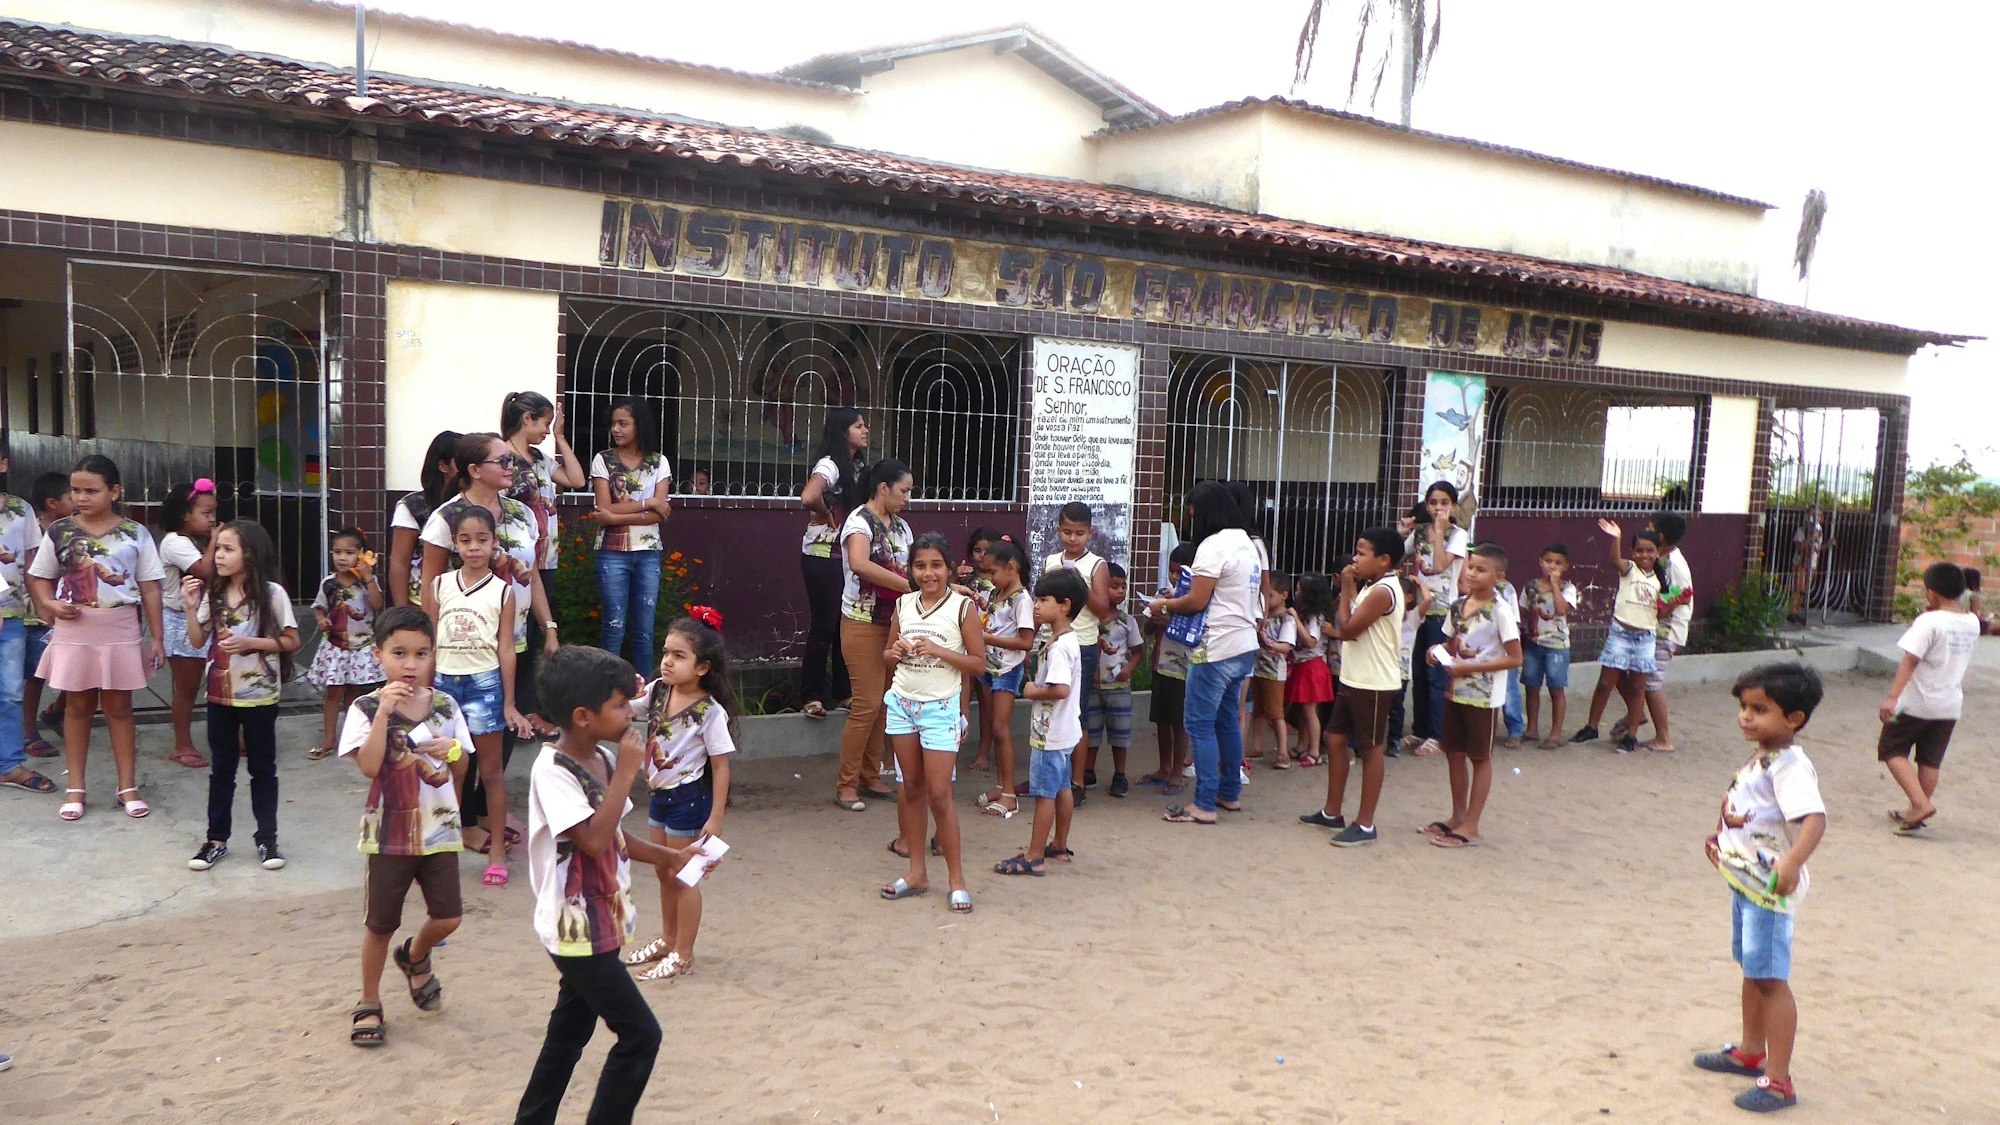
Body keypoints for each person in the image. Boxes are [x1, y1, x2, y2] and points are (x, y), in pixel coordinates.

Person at [515, 645, 709, 1125]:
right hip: (574, 929)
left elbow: (618, 838)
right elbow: (594, 840)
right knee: (641, 1035)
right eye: (620, 706)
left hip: (601, 920)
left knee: (567, 1037)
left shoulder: (600, 757)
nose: (631, 714)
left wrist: (673, 855)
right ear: (583, 716)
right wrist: (627, 771)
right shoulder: (553, 771)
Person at [336, 606, 472, 1049]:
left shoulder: (447, 705)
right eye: (399, 653)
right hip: (388, 833)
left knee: (449, 916)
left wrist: (452, 750)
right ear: (378, 654)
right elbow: (369, 766)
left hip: (439, 831)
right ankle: (368, 1000)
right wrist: (382, 717)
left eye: (420, 654)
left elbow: (461, 765)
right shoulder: (364, 707)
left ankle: (415, 957)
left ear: (433, 655)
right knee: (380, 924)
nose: (410, 664)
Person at [1695, 663, 1827, 1113]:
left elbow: (1813, 819)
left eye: (1760, 709)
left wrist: (1792, 862)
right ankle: (1752, 1051)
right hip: (1746, 883)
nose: (1746, 717)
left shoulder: (1790, 766)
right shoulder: (1764, 754)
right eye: (1744, 707)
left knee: (1771, 980)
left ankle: (1779, 1080)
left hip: (1769, 889)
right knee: (1753, 969)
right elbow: (1742, 807)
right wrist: (1720, 835)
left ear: (1795, 718)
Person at [419, 432, 557, 859]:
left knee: (501, 731)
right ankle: (463, 821)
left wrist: (548, 627)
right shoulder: (446, 519)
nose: (511, 467)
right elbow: (431, 586)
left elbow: (530, 576)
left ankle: (480, 815)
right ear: (475, 470)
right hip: (459, 651)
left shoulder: (521, 514)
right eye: (503, 461)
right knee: (459, 741)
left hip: (511, 640)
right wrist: (429, 648)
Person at [24, 455, 166, 822]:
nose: (81, 497)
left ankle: (127, 787)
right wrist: (49, 603)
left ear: (114, 491)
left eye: (91, 490)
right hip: (74, 629)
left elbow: (150, 588)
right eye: (75, 490)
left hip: (119, 627)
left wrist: (157, 638)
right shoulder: (59, 532)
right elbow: (39, 575)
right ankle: (76, 788)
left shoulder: (136, 532)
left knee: (119, 709)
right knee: (76, 708)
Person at [620, 608, 737, 982]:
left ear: (702, 668)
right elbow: (624, 708)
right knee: (663, 870)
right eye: (666, 653)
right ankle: (668, 940)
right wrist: (622, 689)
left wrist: (716, 816)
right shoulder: (657, 691)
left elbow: (721, 766)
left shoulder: (710, 713)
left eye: (679, 656)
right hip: (661, 796)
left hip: (690, 800)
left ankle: (684, 954)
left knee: (685, 876)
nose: (667, 661)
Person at [427, 505, 535, 888]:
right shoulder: (439, 585)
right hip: (443, 685)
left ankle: (497, 853)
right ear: (454, 544)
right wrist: (425, 691)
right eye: (465, 540)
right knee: (444, 770)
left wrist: (508, 702)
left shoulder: (504, 592)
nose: (474, 547)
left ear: (494, 543)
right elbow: (428, 642)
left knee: (490, 772)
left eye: (482, 540)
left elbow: (506, 648)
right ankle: (442, 848)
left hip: (484, 685)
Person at [874, 533, 982, 912]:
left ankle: (956, 879)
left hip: (940, 709)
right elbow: (887, 656)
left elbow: (979, 663)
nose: (928, 573)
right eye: (920, 565)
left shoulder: (962, 608)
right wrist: (897, 651)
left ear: (950, 568)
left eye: (936, 565)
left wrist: (939, 651)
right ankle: (917, 872)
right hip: (903, 705)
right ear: (911, 569)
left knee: (939, 794)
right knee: (911, 790)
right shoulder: (903, 605)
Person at [183, 519, 300, 870]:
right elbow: (196, 640)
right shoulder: (213, 594)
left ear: (250, 554)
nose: (217, 555)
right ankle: (216, 840)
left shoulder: (272, 594)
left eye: (227, 548)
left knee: (263, 769)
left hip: (261, 696)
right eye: (217, 547)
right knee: (222, 769)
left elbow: (292, 640)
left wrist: (252, 643)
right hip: (220, 695)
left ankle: (267, 839)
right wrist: (190, 606)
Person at [1155, 482, 1261, 826]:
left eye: (1191, 512)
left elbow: (1197, 600)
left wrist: (1165, 605)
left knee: (1199, 724)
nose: (1189, 518)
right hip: (1244, 644)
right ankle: (1229, 793)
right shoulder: (1247, 543)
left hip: (1215, 646)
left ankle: (1203, 803)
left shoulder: (1213, 546)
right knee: (1227, 719)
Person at [1299, 528, 1406, 846]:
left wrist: (1346, 588)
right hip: (1355, 676)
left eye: (1362, 553)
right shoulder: (1373, 586)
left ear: (1384, 560)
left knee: (1370, 748)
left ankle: (1366, 823)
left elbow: (1346, 629)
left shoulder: (1383, 591)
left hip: (1374, 681)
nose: (1355, 559)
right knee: (1334, 738)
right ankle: (1332, 811)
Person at [1420, 542, 1521, 849]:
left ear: (1499, 576)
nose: (1473, 573)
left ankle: (1472, 826)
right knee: (1453, 753)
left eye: (1481, 569)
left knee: (1479, 757)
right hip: (1455, 692)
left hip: (1484, 695)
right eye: (1471, 566)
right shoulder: (1457, 605)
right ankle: (1457, 816)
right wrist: (1435, 653)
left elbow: (1516, 658)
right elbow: (1451, 643)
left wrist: (1471, 667)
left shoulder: (1501, 611)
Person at [501, 391, 586, 754]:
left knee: (537, 637)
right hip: (515, 564)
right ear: (527, 419)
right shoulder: (502, 459)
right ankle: (512, 711)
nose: (547, 431)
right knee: (511, 636)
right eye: (545, 424)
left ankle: (529, 709)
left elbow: (577, 479)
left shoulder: (539, 458)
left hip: (543, 561)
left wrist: (563, 438)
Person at [993, 567, 1088, 876]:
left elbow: (1059, 689)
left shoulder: (1060, 647)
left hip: (1050, 734)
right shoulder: (1065, 640)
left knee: (1044, 793)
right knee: (1061, 788)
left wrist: (1032, 689)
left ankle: (1034, 855)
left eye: (1044, 600)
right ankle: (1059, 845)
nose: (1036, 605)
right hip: (1063, 731)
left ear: (1064, 605)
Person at [833, 459, 915, 813]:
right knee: (866, 704)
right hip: (862, 621)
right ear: (884, 488)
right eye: (904, 490)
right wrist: (911, 586)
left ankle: (869, 774)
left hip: (893, 622)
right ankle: (846, 783)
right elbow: (860, 564)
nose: (908, 498)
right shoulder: (858, 521)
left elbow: (910, 566)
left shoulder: (901, 527)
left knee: (884, 703)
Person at [1877, 562, 1978, 834]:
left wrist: (1891, 698)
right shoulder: (1971, 622)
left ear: (1931, 592)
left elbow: (1910, 661)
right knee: (1930, 760)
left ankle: (1920, 803)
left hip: (1918, 700)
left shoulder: (1929, 622)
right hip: (1949, 704)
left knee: (1892, 749)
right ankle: (1917, 809)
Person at [589, 401, 673, 666]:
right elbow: (604, 509)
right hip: (612, 553)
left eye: (623, 423)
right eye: (613, 423)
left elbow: (662, 514)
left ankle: (645, 697)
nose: (616, 429)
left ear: (640, 425)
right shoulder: (603, 459)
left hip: (648, 553)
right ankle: (608, 695)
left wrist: (616, 516)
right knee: (613, 627)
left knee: (644, 632)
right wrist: (648, 503)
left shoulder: (659, 462)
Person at [797, 408, 868, 721]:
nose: (866, 430)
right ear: (843, 432)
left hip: (845, 558)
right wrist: (826, 514)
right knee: (824, 626)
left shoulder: (856, 465)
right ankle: (810, 695)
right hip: (822, 556)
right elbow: (809, 496)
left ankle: (842, 693)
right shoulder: (830, 464)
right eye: (859, 425)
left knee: (844, 626)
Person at [1572, 520, 1662, 751]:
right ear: (1633, 552)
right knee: (1605, 683)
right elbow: (1614, 561)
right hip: (1620, 633)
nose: (1644, 555)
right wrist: (1616, 537)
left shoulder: (1661, 580)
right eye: (1639, 550)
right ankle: (1591, 727)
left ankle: (1631, 735)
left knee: (1637, 688)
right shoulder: (1629, 569)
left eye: (1650, 551)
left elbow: (1665, 608)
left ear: (1657, 553)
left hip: (1645, 637)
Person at [1044, 502, 1113, 802]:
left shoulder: (1097, 565)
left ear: (1090, 533)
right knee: (1050, 709)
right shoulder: (1051, 560)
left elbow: (1103, 610)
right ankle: (1052, 773)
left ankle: (1077, 781)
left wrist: (1079, 585)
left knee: (1077, 712)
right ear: (1058, 530)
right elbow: (1044, 601)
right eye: (1067, 532)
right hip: (1051, 641)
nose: (1073, 539)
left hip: (1082, 644)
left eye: (1079, 533)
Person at [306, 528, 387, 760]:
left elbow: (377, 603)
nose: (341, 557)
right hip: (336, 647)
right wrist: (321, 620)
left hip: (361, 648)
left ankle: (353, 739)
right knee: (333, 694)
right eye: (337, 552)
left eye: (349, 552)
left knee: (355, 695)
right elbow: (319, 607)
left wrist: (369, 577)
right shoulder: (329, 583)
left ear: (362, 555)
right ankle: (329, 739)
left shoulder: (365, 583)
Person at [0, 455, 55, 796]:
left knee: (10, 692)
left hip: (13, 615)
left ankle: (7, 765)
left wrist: (45, 606)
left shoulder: (21, 510)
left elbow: (33, 564)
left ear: (3, 463)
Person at [155, 479, 219, 769]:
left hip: (202, 615)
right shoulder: (175, 543)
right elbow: (204, 571)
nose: (212, 520)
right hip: (181, 619)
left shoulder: (195, 542)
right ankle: (182, 745)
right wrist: (217, 539)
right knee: (187, 686)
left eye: (213, 513)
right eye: (206, 514)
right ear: (185, 515)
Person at [1406, 483, 1469, 756]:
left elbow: (1441, 565)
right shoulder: (1420, 531)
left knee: (1435, 675)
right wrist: (1402, 529)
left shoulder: (1458, 534)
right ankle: (1420, 729)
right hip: (1419, 611)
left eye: (1444, 502)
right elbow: (1402, 550)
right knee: (1419, 672)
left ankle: (1438, 734)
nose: (1438, 507)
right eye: (1433, 502)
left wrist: (1440, 534)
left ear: (1453, 506)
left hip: (1443, 612)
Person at [972, 538, 1033, 818]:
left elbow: (1025, 642)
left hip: (1007, 670)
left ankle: (1009, 795)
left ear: (1011, 567)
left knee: (1001, 729)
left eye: (992, 573)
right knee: (996, 730)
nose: (989, 578)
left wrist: (988, 637)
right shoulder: (998, 595)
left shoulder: (1022, 600)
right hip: (990, 665)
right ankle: (1000, 784)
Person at [18, 472, 73, 762]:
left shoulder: (73, 529)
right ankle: (28, 732)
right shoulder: (34, 531)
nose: (78, 499)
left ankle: (57, 711)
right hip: (35, 611)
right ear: (53, 503)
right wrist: (42, 604)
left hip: (66, 611)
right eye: (71, 495)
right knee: (35, 675)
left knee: (77, 670)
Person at [1141, 542, 1197, 794]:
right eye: (1172, 571)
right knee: (1161, 719)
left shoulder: (1194, 601)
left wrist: (1170, 618)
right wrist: (1155, 617)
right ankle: (1164, 767)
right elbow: (1148, 629)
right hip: (1160, 664)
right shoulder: (1165, 595)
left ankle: (1177, 772)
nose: (1174, 577)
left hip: (1183, 667)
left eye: (1179, 572)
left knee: (1178, 721)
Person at [1085, 562, 1142, 797]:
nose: (1120, 591)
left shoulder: (1127, 622)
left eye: (1123, 587)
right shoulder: (1089, 621)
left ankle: (1120, 775)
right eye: (1113, 586)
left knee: (1120, 733)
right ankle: (1087, 771)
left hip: (1118, 687)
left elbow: (1138, 652)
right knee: (1090, 731)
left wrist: (1129, 669)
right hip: (1090, 686)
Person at [389, 429, 462, 608]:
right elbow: (399, 562)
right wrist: (403, 612)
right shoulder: (413, 506)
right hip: (421, 602)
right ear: (443, 466)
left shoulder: (472, 503)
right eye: (461, 461)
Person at [1519, 544, 1578, 749]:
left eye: (1558, 563)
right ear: (1541, 562)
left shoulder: (1568, 589)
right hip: (1533, 643)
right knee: (1531, 686)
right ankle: (1532, 728)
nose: (1552, 566)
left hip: (1557, 646)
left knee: (1556, 688)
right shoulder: (1530, 586)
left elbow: (1561, 610)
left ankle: (1555, 733)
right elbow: (1522, 611)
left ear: (1566, 566)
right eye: (1549, 561)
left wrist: (1554, 585)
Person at [960, 526, 1003, 771]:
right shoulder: (964, 579)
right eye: (977, 550)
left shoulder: (1002, 581)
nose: (981, 556)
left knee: (987, 703)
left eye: (987, 550)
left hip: (990, 648)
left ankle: (984, 753)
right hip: (963, 647)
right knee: (961, 698)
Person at [1284, 573, 1336, 768]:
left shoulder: (1315, 616)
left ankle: (1314, 750)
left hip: (1312, 665)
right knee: (1302, 709)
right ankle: (1302, 744)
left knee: (1310, 710)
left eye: (1299, 589)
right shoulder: (1308, 613)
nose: (1296, 593)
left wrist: (1296, 620)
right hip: (1303, 665)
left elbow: (1311, 641)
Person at [1246, 580, 1295, 769]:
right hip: (1256, 667)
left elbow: (1286, 647)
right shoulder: (1262, 618)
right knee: (1258, 710)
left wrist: (1270, 644)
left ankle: (1283, 751)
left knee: (1276, 713)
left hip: (1274, 670)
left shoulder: (1286, 619)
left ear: (1284, 595)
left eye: (1271, 595)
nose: (1266, 599)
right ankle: (1257, 746)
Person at [1786, 507, 1825, 626]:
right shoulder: (1801, 531)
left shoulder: (1819, 531)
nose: (1815, 518)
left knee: (1804, 589)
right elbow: (1799, 547)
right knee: (1798, 587)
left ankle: (1797, 611)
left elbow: (1817, 549)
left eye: (1818, 515)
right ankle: (1792, 611)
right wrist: (1811, 538)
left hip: (1812, 562)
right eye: (1813, 515)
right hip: (1800, 562)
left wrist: (1827, 544)